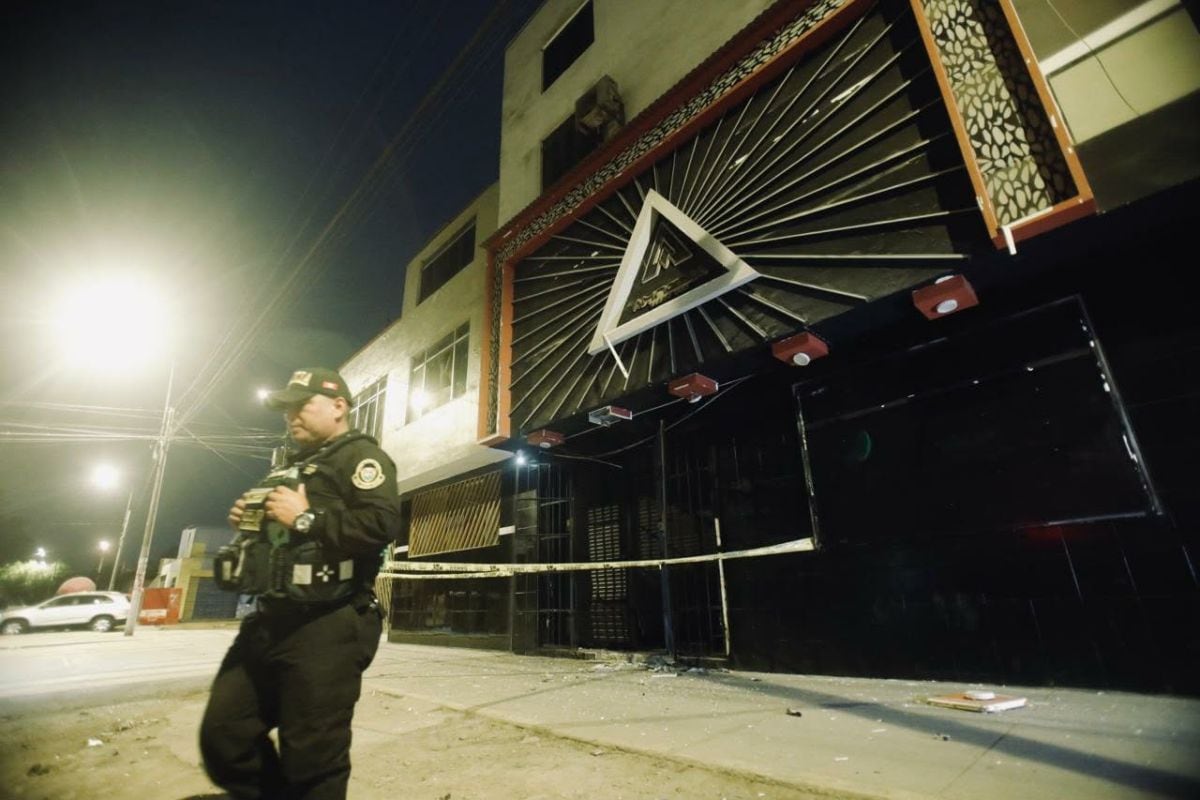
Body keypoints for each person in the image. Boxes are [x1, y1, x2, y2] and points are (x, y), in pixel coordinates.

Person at [200, 367, 401, 800]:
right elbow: (276, 535)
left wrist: (307, 517)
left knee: (313, 759)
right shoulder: (291, 465)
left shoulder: (361, 457)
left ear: (338, 406)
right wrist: (248, 517)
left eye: (301, 405)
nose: (290, 416)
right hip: (270, 618)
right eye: (286, 409)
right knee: (223, 735)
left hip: (328, 623)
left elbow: (382, 524)